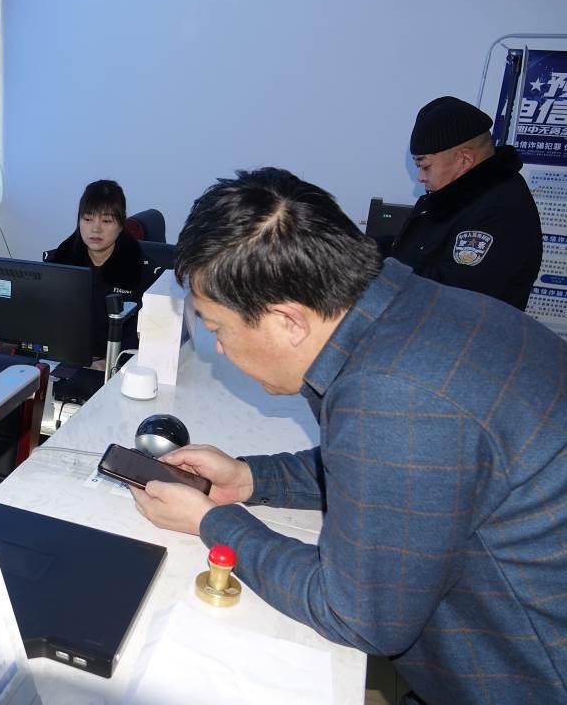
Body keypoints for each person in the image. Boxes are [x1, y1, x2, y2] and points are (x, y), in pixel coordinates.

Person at [131, 168, 567, 704]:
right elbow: (382, 472)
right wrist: (249, 478)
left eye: (218, 328)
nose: (219, 348)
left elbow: (359, 615)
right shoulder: (415, 312)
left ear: (289, 321)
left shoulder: (393, 392)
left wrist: (211, 522)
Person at [389, 95, 542, 310]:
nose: (420, 177)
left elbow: (450, 297)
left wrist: (373, 275)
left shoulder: (500, 213)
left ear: (464, 159)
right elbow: (412, 251)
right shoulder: (457, 195)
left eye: (425, 166)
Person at [43, 179, 160, 362]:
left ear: (121, 225)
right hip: (66, 359)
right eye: (87, 219)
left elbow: (147, 334)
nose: (95, 229)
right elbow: (48, 320)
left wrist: (110, 363)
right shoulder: (60, 261)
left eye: (106, 221)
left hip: (119, 365)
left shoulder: (141, 270)